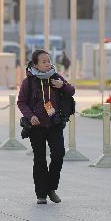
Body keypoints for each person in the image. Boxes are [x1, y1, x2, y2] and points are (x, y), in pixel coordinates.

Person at [17, 49, 76, 205]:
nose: (48, 64)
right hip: (37, 126)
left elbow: (71, 90)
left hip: (55, 123)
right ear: (35, 64)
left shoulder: (55, 77)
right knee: (40, 159)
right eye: (44, 62)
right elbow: (21, 102)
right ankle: (41, 194)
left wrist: (61, 85)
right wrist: (30, 116)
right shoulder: (28, 82)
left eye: (49, 60)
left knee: (58, 154)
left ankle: (51, 188)